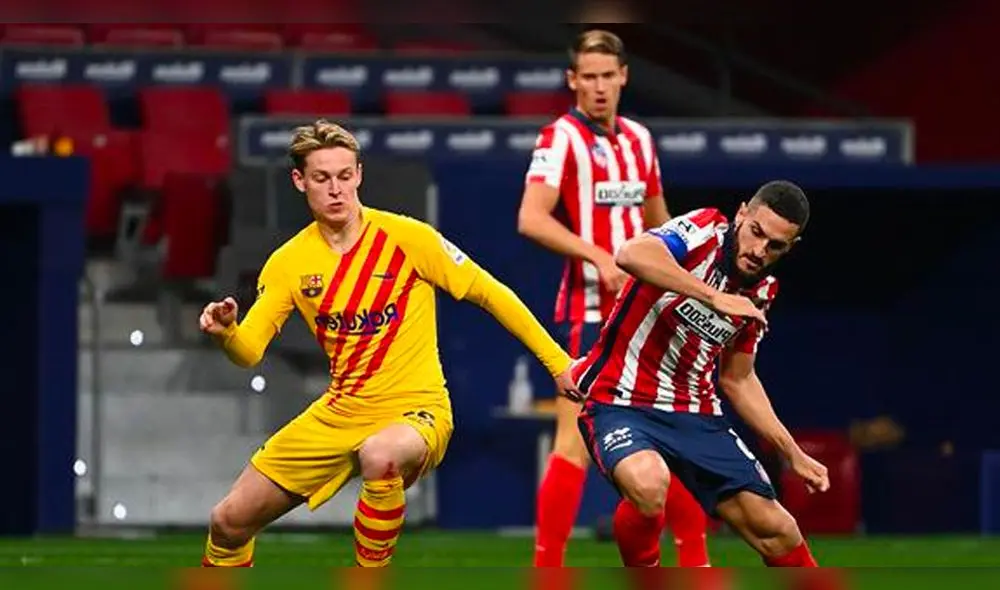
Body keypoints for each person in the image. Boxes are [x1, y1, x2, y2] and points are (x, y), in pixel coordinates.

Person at [198, 119, 579, 567]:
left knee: (379, 454)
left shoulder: (408, 238)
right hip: (341, 412)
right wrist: (228, 336)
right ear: (300, 181)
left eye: (345, 175)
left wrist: (558, 363)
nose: (336, 189)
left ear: (359, 174)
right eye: (322, 178)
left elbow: (491, 293)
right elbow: (250, 353)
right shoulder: (288, 263)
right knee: (227, 522)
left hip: (417, 410)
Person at [517, 28, 710, 568]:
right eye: (589, 77)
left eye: (608, 76)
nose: (599, 87)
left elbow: (659, 222)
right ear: (572, 81)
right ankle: (548, 567)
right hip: (592, 314)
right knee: (572, 438)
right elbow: (530, 218)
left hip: (648, 315)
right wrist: (599, 256)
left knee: (673, 435)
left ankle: (695, 561)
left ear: (623, 77)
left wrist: (692, 284)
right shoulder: (560, 138)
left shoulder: (639, 140)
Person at [571, 181, 831, 569]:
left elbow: (738, 380)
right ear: (742, 213)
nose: (759, 251)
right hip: (620, 399)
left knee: (777, 530)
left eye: (775, 246)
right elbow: (631, 254)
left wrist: (791, 452)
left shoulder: (762, 290)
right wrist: (712, 296)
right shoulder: (704, 229)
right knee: (648, 484)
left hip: (695, 414)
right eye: (756, 232)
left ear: (789, 248)